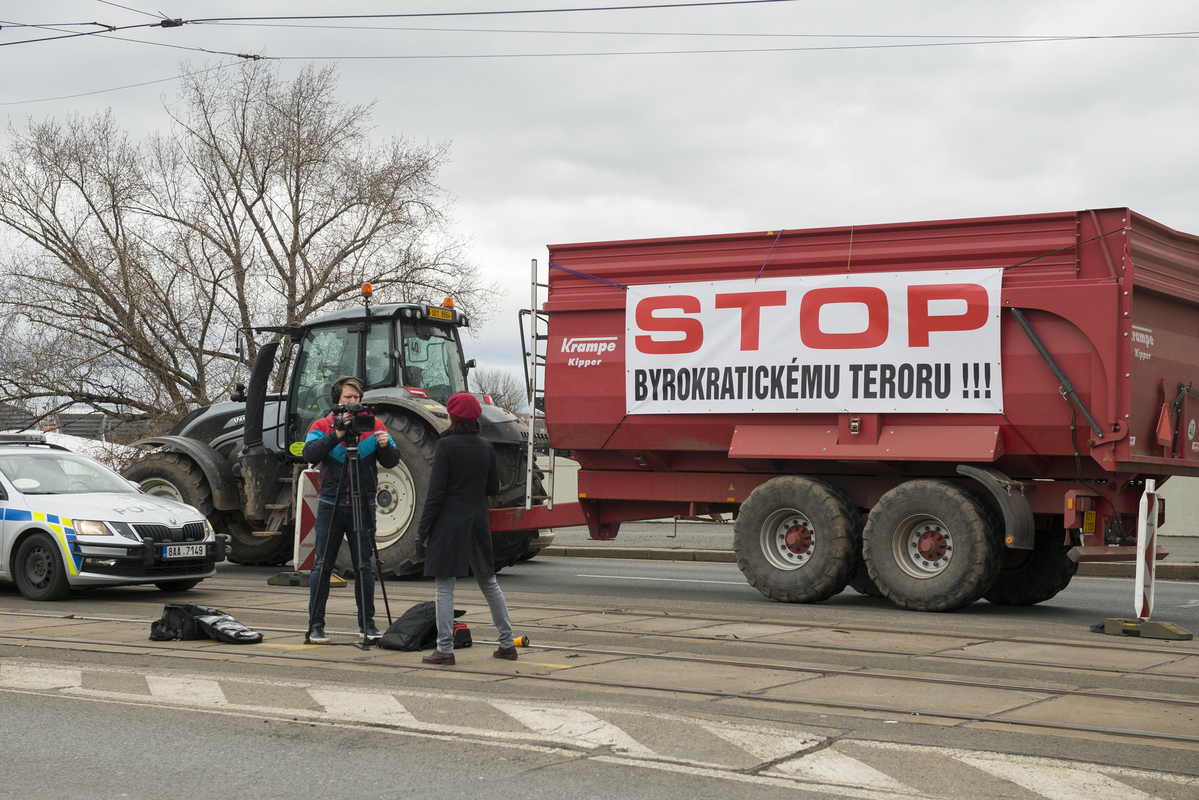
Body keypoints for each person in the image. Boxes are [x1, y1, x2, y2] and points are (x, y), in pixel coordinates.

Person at [416, 392, 517, 665]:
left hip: (449, 523)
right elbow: (492, 488)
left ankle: (444, 649)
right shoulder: (486, 446)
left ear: (452, 418)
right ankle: (507, 643)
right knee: (489, 582)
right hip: (477, 521)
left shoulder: (445, 447)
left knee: (445, 588)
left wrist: (421, 531)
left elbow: (435, 494)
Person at [303, 375, 400, 644]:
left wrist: (384, 445)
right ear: (337, 401)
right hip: (330, 504)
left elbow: (392, 461)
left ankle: (367, 625)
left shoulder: (374, 424)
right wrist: (337, 434)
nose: (353, 403)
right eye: (348, 398)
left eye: (357, 398)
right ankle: (316, 626)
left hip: (363, 503)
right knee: (322, 566)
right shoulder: (322, 425)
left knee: (364, 567)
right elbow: (309, 454)